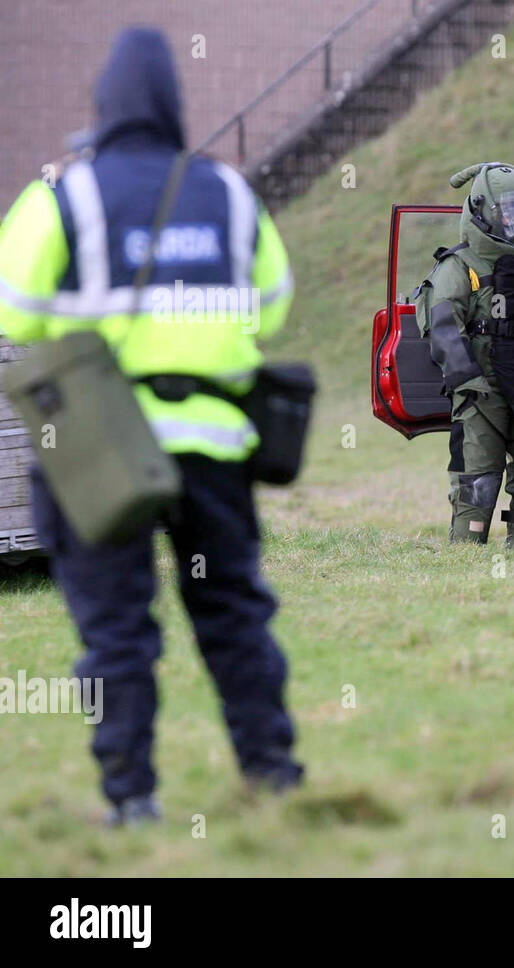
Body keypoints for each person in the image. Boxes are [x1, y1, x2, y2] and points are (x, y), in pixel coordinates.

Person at [0, 28, 302, 824]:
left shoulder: (66, 196)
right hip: (210, 448)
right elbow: (273, 306)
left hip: (104, 450)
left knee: (116, 630)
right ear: (174, 106)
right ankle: (272, 773)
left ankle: (132, 798)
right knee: (233, 612)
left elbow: (14, 308)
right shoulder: (229, 194)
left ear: (102, 108)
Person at [416, 162, 514, 547]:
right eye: (509, 210)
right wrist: (469, 382)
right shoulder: (458, 267)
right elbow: (444, 329)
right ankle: (467, 553)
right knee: (477, 478)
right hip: (481, 392)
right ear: (484, 213)